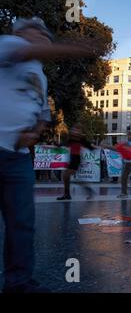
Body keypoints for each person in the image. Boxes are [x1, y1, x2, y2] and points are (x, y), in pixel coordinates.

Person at [0, 17, 94, 293]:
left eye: (47, 34)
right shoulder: (8, 45)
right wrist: (77, 49)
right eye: (37, 32)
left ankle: (18, 282)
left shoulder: (40, 74)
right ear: (21, 32)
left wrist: (34, 132)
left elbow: (43, 114)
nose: (43, 37)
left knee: (22, 223)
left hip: (17, 155)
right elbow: (28, 51)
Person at [57, 124, 96, 200]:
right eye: (74, 129)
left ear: (80, 132)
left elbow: (89, 146)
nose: (75, 131)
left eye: (77, 130)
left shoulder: (81, 139)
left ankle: (68, 194)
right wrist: (56, 146)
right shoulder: (71, 139)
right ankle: (68, 194)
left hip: (76, 160)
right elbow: (63, 144)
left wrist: (95, 147)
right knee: (67, 177)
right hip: (72, 159)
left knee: (66, 176)